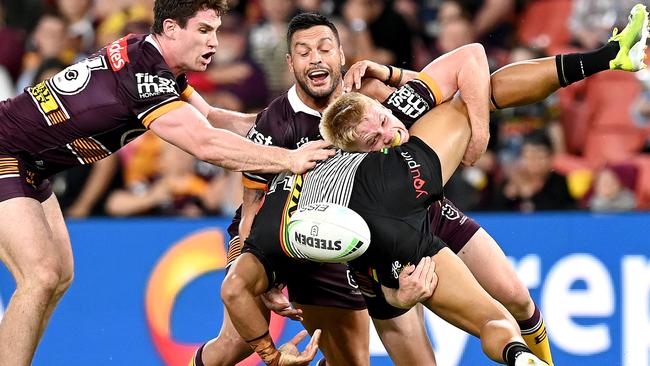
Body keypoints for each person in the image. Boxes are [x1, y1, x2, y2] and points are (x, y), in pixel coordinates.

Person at [196, 4, 649, 364]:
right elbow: (250, 208)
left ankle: (536, 359)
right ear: (290, 61)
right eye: (304, 51)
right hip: (332, 253)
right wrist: (258, 269)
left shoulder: (367, 90)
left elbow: (453, 81)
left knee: (514, 297)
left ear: (341, 54)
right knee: (232, 347)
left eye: (324, 48)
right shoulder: (273, 127)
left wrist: (398, 80)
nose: (316, 58)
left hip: (414, 208)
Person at [0, 1, 336, 365]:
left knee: (58, 276)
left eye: (217, 31)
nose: (215, 43)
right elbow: (205, 143)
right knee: (41, 274)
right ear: (172, 29)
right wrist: (289, 159)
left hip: (32, 164)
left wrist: (299, 122)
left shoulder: (151, 58)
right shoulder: (145, 78)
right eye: (204, 31)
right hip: (7, 153)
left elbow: (212, 118)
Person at [222, 86, 550, 365]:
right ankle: (517, 353)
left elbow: (235, 286)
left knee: (232, 346)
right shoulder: (370, 110)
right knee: (500, 317)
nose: (387, 134)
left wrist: (271, 355)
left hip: (385, 241)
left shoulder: (270, 235)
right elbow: (470, 62)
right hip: (406, 202)